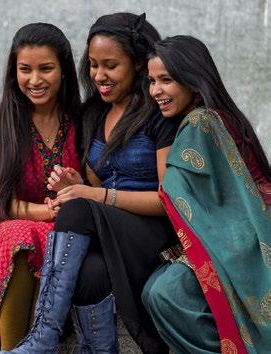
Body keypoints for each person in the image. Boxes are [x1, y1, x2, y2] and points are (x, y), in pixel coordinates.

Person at [3, 13, 183, 354]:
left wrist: (91, 194)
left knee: (78, 208)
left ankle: (43, 336)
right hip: (110, 230)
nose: (99, 75)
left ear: (138, 63)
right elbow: (95, 181)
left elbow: (167, 199)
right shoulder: (93, 114)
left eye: (111, 65)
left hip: (155, 232)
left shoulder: (160, 114)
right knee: (89, 272)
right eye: (93, 65)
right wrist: (76, 182)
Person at [142, 35, 271, 354]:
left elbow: (170, 191)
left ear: (192, 78)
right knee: (157, 291)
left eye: (166, 80)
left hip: (245, 240)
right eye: (151, 81)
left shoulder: (201, 122)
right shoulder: (212, 115)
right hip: (239, 234)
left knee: (165, 293)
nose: (156, 91)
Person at [0, 23, 81, 353]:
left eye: (46, 69)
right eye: (25, 70)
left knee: (50, 238)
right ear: (13, 71)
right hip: (6, 224)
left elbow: (94, 185)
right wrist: (48, 211)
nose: (35, 80)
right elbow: (1, 202)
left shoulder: (81, 120)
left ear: (63, 70)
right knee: (20, 236)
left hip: (68, 224)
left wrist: (77, 186)